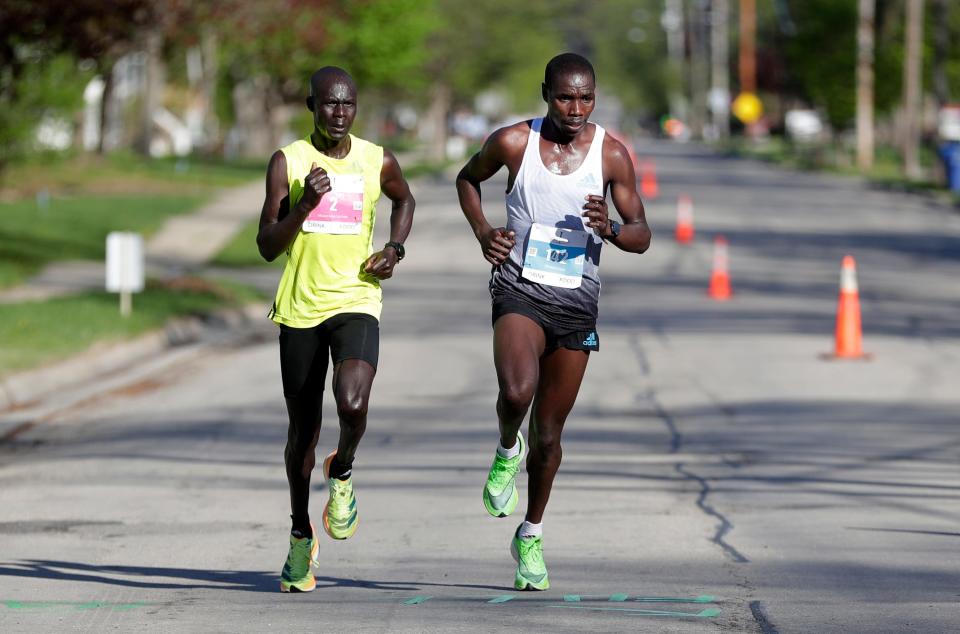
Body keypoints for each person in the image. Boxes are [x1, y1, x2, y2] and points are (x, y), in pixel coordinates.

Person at [455, 53, 651, 591]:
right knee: (517, 394)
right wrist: (482, 232)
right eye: (566, 96)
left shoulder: (611, 154)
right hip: (519, 288)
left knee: (550, 435)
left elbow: (642, 233)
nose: (576, 108)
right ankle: (503, 449)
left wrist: (609, 228)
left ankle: (531, 535)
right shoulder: (513, 142)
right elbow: (466, 180)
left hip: (576, 303)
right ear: (546, 92)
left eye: (586, 97)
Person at [257, 66, 415, 593]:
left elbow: (405, 199)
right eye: (329, 105)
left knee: (352, 403)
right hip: (301, 308)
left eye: (347, 105)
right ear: (312, 106)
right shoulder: (290, 162)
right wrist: (303, 205)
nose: (339, 114)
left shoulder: (377, 159)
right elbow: (265, 245)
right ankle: (301, 535)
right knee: (301, 433)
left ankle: (342, 468)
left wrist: (393, 249)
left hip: (356, 298)